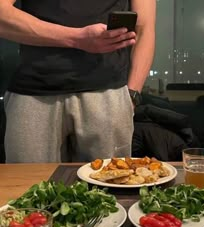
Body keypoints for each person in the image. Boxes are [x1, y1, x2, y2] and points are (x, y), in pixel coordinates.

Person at [0, 0, 156, 162]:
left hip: (108, 95)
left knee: (112, 184)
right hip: (33, 94)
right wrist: (77, 38)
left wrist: (131, 95)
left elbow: (144, 28)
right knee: (27, 184)